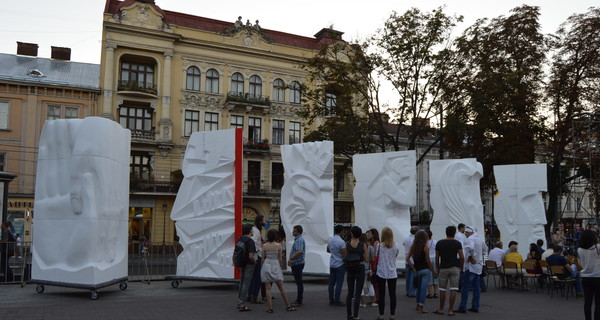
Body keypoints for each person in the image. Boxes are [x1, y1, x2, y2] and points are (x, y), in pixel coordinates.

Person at [261, 229, 297, 312]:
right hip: (275, 265)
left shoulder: (265, 246)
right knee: (281, 287)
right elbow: (280, 259)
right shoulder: (279, 245)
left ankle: (270, 308)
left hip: (267, 265)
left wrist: (262, 267)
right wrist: (280, 268)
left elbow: (263, 259)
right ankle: (288, 305)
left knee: (268, 288)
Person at [434, 225, 464, 316]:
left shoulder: (439, 243)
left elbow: (437, 257)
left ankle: (441, 309)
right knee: (453, 289)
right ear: (454, 234)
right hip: (455, 268)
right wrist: (461, 267)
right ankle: (451, 310)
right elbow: (462, 257)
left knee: (442, 289)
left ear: (446, 233)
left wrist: (438, 268)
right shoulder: (457, 243)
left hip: (443, 267)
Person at [456, 226, 487, 314]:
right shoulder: (479, 239)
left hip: (470, 267)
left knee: (465, 288)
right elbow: (485, 250)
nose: (465, 233)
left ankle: (462, 307)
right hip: (478, 267)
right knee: (476, 288)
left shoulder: (470, 239)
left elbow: (471, 249)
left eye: (467, 232)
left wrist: (471, 257)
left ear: (471, 232)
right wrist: (479, 257)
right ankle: (475, 306)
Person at [406, 230, 435, 314]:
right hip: (425, 269)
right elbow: (428, 261)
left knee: (418, 289)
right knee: (423, 289)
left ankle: (417, 305)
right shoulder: (425, 247)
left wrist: (413, 267)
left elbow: (407, 258)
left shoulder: (413, 247)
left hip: (417, 270)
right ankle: (421, 307)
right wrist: (433, 271)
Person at [344, 226, 368, 320]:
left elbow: (346, 255)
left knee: (350, 293)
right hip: (360, 268)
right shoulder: (363, 245)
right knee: (358, 293)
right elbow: (366, 259)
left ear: (352, 233)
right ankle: (356, 315)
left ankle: (348, 314)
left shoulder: (347, 243)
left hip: (350, 268)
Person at [376, 227, 399, 320]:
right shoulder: (396, 245)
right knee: (392, 294)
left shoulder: (379, 246)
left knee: (381, 294)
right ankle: (392, 315)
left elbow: (376, 256)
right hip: (392, 272)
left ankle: (381, 315)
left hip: (381, 271)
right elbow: (396, 255)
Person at [577, 229, 600, 320]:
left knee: (587, 302)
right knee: (598, 303)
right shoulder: (597, 247)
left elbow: (580, 263)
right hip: (598, 277)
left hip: (586, 278)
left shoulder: (579, 250)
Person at [237, 224, 257, 312]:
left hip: (241, 263)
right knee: (246, 283)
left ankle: (240, 301)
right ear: (250, 231)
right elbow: (250, 256)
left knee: (241, 282)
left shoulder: (240, 238)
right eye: (252, 230)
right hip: (249, 264)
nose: (253, 231)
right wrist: (255, 262)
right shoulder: (250, 241)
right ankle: (242, 303)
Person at [249, 215, 266, 304]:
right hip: (256, 256)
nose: (265, 221)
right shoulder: (256, 230)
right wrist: (258, 250)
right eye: (264, 220)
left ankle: (250, 295)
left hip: (255, 255)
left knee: (253, 277)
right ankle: (254, 297)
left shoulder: (255, 230)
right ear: (260, 221)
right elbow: (253, 242)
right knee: (257, 277)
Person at [328, 225, 346, 306]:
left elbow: (328, 250)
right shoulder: (341, 242)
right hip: (340, 263)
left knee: (331, 283)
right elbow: (344, 254)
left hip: (332, 263)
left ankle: (331, 299)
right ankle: (337, 299)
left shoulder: (330, 240)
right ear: (341, 231)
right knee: (339, 283)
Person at [287, 225, 305, 307]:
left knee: (299, 282)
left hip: (297, 264)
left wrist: (291, 258)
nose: (292, 232)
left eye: (294, 231)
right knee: (299, 282)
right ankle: (299, 299)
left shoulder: (299, 240)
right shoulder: (298, 239)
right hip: (297, 263)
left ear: (298, 232)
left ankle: (299, 300)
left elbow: (299, 251)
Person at [360, 231, 376, 308]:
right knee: (370, 284)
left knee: (360, 285)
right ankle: (373, 301)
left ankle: (363, 303)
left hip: (360, 267)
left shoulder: (359, 247)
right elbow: (372, 259)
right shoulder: (370, 247)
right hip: (368, 267)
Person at [403, 226, 419, 297]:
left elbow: (403, 244)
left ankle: (407, 291)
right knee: (413, 276)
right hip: (413, 260)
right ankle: (412, 292)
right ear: (417, 232)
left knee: (408, 277)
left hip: (407, 260)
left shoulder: (406, 238)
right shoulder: (416, 240)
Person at [425, 229, 439, 299]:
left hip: (428, 259)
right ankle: (436, 293)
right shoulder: (435, 242)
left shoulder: (425, 243)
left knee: (429, 276)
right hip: (435, 258)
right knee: (435, 275)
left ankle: (430, 293)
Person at [369, 228, 381, 306]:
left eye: (370, 233)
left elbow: (375, 254)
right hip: (374, 262)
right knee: (374, 282)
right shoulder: (373, 242)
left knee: (375, 282)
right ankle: (376, 298)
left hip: (375, 262)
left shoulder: (376, 242)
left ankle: (377, 298)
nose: (369, 235)